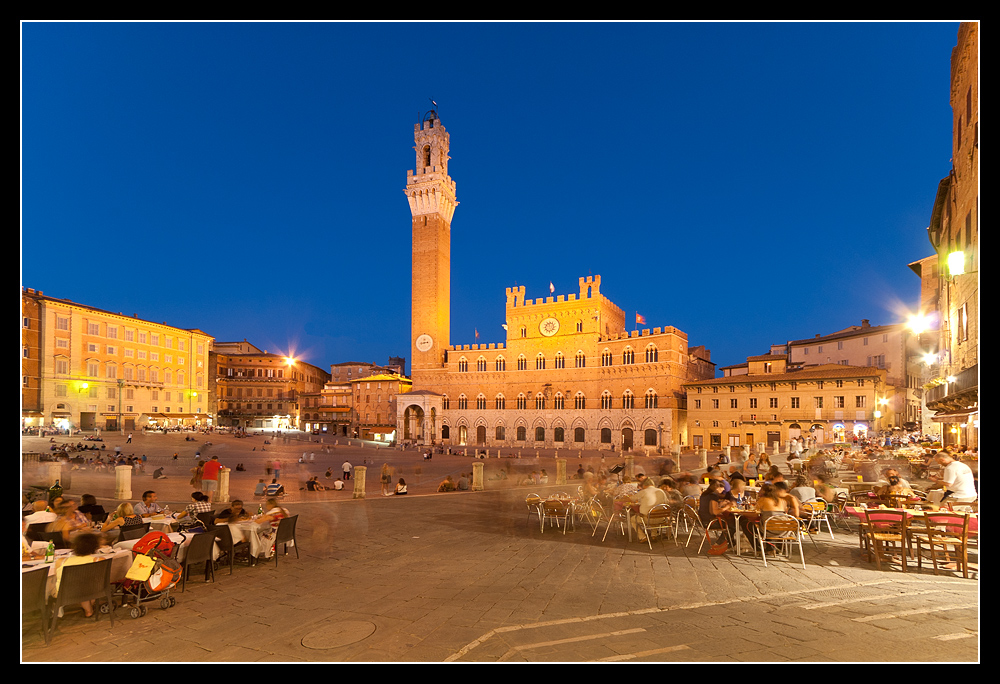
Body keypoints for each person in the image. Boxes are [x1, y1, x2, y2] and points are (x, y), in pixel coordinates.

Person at [54, 533, 104, 616]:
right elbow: (101, 579)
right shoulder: (98, 560)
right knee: (89, 586)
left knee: (80, 586)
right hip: (89, 590)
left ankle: (88, 610)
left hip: (64, 592)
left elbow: (56, 576)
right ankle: (89, 609)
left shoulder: (61, 561)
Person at [633, 478, 668, 542]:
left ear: (644, 485)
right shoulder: (661, 491)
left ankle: (642, 537)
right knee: (656, 512)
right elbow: (666, 503)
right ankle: (654, 535)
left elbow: (632, 499)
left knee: (632, 520)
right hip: (661, 518)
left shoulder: (643, 492)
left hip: (647, 519)